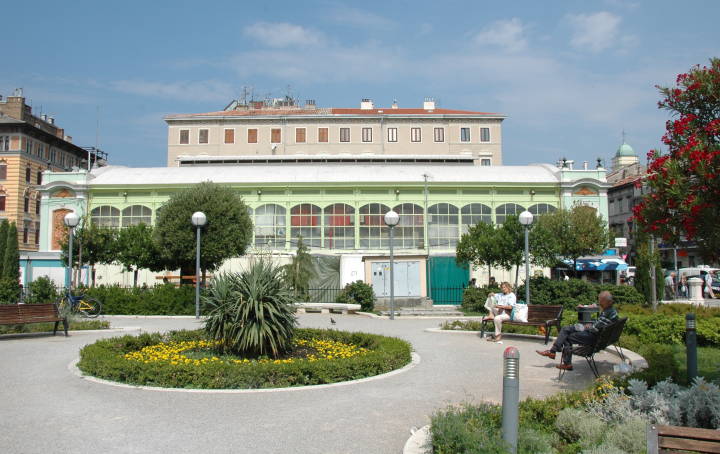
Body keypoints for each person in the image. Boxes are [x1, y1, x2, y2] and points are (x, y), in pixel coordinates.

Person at [536, 291, 619, 371]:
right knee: (566, 329)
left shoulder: (608, 312)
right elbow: (600, 324)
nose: (599, 302)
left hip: (593, 337)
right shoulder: (611, 311)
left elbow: (595, 328)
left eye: (600, 300)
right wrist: (590, 324)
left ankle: (563, 360)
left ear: (606, 302)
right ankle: (553, 352)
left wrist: (587, 327)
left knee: (567, 337)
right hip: (597, 336)